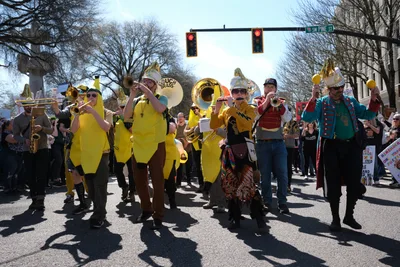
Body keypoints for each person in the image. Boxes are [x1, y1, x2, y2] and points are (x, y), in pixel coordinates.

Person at [302, 62, 380, 231]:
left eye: (340, 87)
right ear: (328, 89)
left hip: (352, 146)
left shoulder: (350, 101)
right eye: (334, 88)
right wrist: (313, 98)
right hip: (331, 146)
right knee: (334, 183)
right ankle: (335, 218)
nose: (338, 91)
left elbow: (367, 114)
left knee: (353, 182)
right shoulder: (321, 103)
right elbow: (307, 118)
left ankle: (349, 216)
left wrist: (373, 100)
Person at [210, 68, 266, 231]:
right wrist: (217, 109)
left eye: (242, 91)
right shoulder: (227, 111)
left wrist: (231, 108)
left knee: (249, 184)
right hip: (230, 152)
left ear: (247, 93)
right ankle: (234, 218)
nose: (239, 93)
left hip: (247, 151)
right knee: (230, 186)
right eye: (236, 91)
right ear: (232, 93)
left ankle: (259, 218)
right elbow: (214, 125)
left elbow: (246, 124)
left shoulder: (250, 108)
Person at [123, 62, 168, 230]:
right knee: (139, 181)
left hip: (156, 145)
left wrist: (148, 92)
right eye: (144, 80)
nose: (145, 83)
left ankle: (158, 215)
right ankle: (146, 209)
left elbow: (160, 108)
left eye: (149, 81)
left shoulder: (161, 97)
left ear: (155, 85)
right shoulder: (136, 101)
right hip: (139, 144)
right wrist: (131, 95)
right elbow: (126, 116)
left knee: (157, 182)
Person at [70, 88, 111, 229]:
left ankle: (99, 215)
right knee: (91, 187)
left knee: (100, 186)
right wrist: (77, 114)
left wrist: (93, 112)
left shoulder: (105, 111)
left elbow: (106, 127)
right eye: (88, 95)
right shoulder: (81, 111)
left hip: (101, 152)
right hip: (86, 153)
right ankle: (99, 210)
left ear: (99, 98)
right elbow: (74, 130)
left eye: (94, 95)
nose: (91, 97)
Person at [254, 78, 292, 214]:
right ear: (264, 88)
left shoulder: (282, 102)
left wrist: (279, 106)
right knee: (265, 175)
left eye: (272, 87)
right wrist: (266, 102)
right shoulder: (257, 101)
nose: (269, 89)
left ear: (276, 89)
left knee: (282, 173)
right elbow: (255, 115)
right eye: (267, 87)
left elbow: (287, 118)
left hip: (278, 143)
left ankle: (282, 202)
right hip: (262, 143)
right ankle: (267, 202)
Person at [13, 102, 53, 210]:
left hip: (42, 148)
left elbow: (51, 130)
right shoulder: (17, 119)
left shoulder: (42, 114)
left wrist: (42, 128)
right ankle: (34, 198)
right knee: (30, 175)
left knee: (41, 174)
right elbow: (15, 135)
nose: (28, 107)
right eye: (26, 105)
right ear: (23, 106)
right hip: (28, 149)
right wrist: (24, 140)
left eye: (30, 105)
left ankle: (41, 199)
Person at [113, 88, 135, 202]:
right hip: (118, 149)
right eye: (121, 107)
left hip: (130, 148)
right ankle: (124, 187)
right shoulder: (116, 118)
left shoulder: (132, 117)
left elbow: (133, 131)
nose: (122, 109)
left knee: (132, 172)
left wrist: (124, 119)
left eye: (124, 107)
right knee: (117, 170)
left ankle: (132, 191)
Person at [176, 112, 193, 187]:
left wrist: (186, 143)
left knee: (188, 166)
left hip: (187, 148)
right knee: (179, 167)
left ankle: (189, 181)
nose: (180, 118)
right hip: (179, 150)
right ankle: (178, 182)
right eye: (178, 117)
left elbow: (190, 136)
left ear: (184, 118)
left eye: (181, 117)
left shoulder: (187, 126)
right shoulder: (176, 127)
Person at [283, 117, 300, 192]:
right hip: (279, 146)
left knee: (288, 166)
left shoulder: (294, 123)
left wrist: (288, 136)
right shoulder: (280, 121)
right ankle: (281, 185)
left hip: (289, 147)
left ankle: (288, 185)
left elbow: (297, 135)